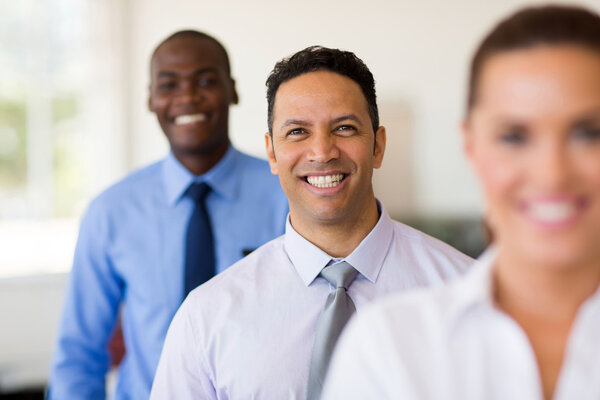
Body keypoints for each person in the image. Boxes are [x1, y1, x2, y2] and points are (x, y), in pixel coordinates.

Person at [150, 45, 472, 400]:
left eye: (345, 128)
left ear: (378, 146)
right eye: (298, 132)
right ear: (272, 153)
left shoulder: (466, 293)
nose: (322, 152)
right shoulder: (207, 316)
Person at [322, 5, 600, 400]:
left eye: (589, 133)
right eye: (514, 137)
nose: (552, 173)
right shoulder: (392, 348)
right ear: (471, 146)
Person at [48, 30, 289, 400]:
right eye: (169, 83)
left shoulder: (287, 196)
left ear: (234, 91)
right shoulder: (111, 212)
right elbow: (80, 353)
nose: (188, 96)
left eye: (206, 81)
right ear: (150, 98)